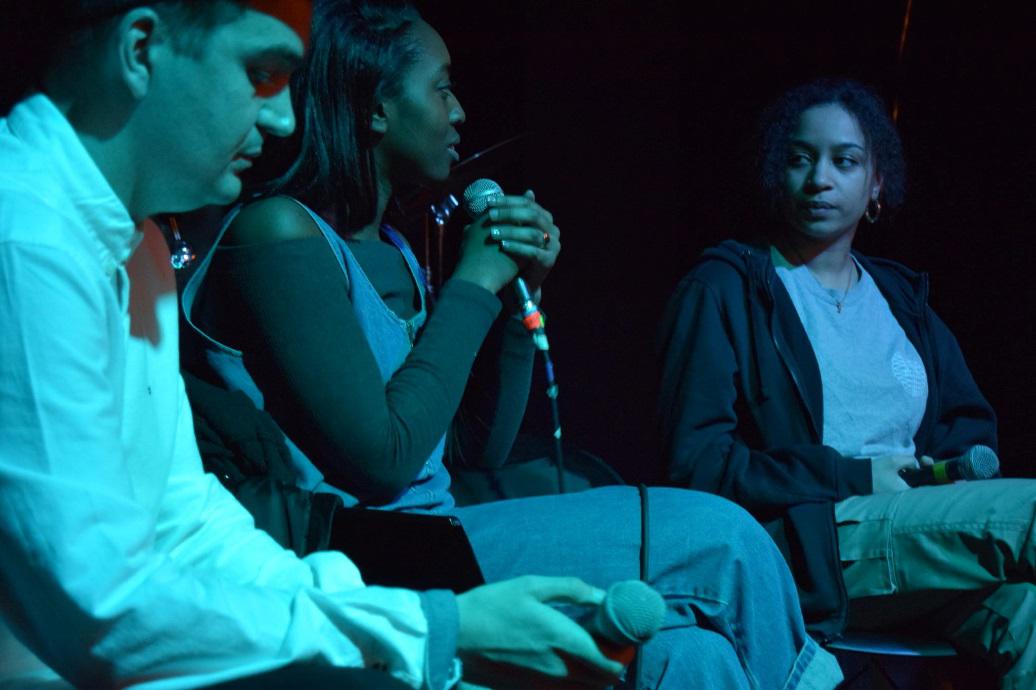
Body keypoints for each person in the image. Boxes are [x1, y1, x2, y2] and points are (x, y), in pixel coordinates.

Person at [181, 2, 844, 689]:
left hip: (439, 533)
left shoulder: (398, 250)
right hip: (362, 556)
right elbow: (384, 462)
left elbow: (474, 448)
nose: (459, 111)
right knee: (721, 541)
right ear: (375, 108)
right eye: (442, 88)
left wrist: (513, 298)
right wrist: (472, 283)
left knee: (693, 656)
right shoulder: (278, 232)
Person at [0, 2, 654, 689]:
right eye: (260, 73)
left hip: (189, 626)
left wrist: (385, 616)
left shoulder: (141, 251)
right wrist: (427, 630)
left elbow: (185, 522)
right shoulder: (25, 237)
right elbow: (98, 607)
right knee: (711, 546)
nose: (285, 118)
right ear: (141, 50)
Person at [657, 78, 1036, 689]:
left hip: (919, 541)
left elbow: (967, 427)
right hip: (813, 547)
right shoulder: (726, 289)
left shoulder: (900, 299)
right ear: (776, 173)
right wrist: (852, 476)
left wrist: (947, 472)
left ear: (876, 184)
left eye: (845, 161)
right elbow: (696, 467)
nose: (820, 179)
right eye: (800, 159)